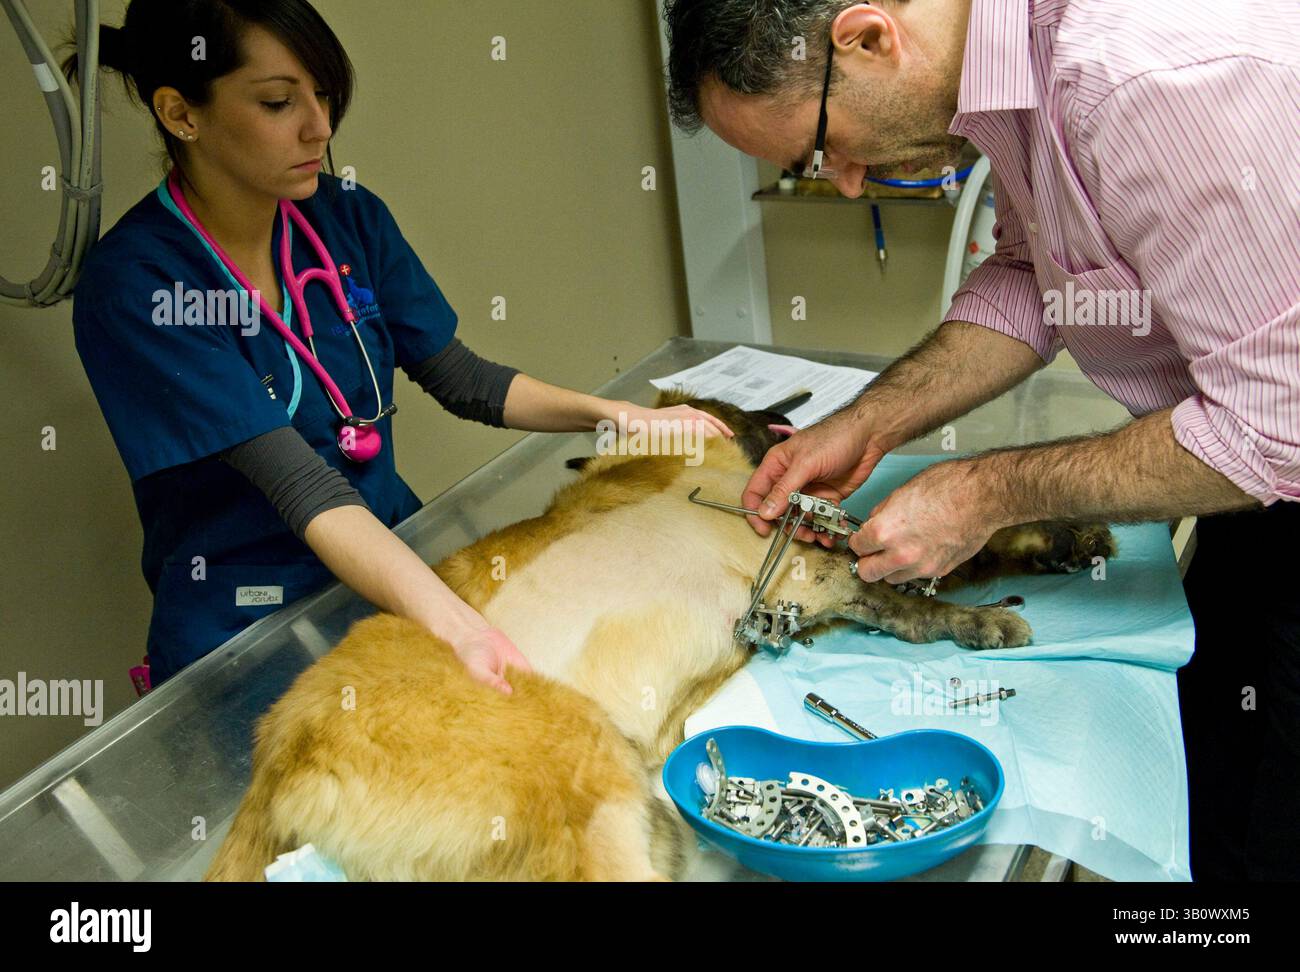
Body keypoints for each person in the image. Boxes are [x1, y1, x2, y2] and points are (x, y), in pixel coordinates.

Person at [663, 0, 1299, 879]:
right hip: (1260, 487)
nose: (845, 182)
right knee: (1214, 777)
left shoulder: (1145, 83)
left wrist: (983, 493)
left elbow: (1273, 430)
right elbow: (1034, 278)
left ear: (868, 37)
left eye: (823, 150)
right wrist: (868, 421)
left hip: (1275, 450)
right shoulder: (1010, 78)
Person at [64, 0, 732, 694]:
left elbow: (462, 377)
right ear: (181, 114)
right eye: (277, 102)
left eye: (322, 95)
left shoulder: (345, 216)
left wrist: (621, 417)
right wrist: (462, 627)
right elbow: (302, 485)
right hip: (245, 627)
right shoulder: (140, 284)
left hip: (394, 570)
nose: (319, 127)